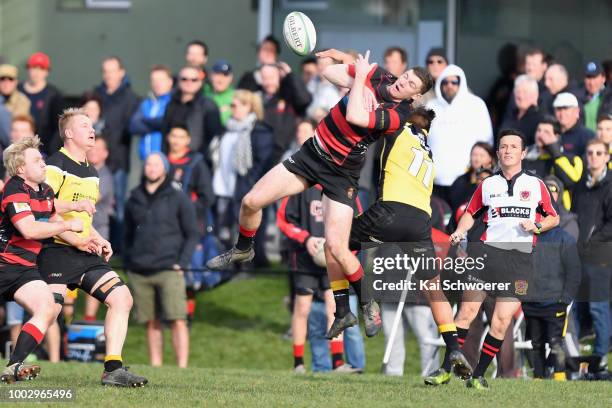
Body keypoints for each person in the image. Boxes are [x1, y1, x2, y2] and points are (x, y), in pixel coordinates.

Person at [208, 49, 433, 340]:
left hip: (342, 175)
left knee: (337, 247)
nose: (404, 82)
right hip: (311, 155)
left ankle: (367, 302)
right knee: (250, 201)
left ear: (414, 96)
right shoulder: (380, 75)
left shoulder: (397, 115)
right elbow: (329, 74)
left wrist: (360, 77)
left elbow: (355, 115)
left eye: (412, 85)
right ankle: (243, 247)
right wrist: (345, 63)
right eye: (406, 77)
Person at [39, 108, 147, 387]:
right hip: (57, 250)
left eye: (92, 126)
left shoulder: (93, 171)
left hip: (84, 250)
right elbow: (45, 210)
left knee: (122, 298)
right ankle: (14, 364)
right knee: (49, 310)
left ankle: (113, 369)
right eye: (84, 125)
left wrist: (98, 238)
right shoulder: (54, 166)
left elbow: (84, 219)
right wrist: (77, 239)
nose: (92, 130)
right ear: (69, 133)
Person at [447, 129, 559, 390]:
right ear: (497, 153)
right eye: (503, 147)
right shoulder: (487, 185)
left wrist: (537, 226)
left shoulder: (536, 185)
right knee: (466, 311)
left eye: (513, 147)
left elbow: (553, 217)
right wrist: (460, 230)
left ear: (522, 153)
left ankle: (479, 375)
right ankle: (445, 369)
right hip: (488, 256)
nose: (507, 151)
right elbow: (470, 212)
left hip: (519, 262)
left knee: (501, 320)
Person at [0, 136, 91, 383]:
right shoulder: (14, 189)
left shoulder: (45, 190)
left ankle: (13, 367)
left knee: (47, 308)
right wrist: (67, 224)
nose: (43, 164)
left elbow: (51, 207)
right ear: (21, 169)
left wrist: (79, 210)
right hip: (3, 264)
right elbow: (29, 229)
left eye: (42, 159)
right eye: (37, 160)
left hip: (24, 268)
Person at [124, 152, 199, 368]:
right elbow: (127, 234)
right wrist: (129, 260)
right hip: (139, 269)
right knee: (151, 322)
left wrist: (182, 263)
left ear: (165, 169)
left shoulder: (177, 197)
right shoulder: (134, 197)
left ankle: (182, 366)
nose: (152, 168)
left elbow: (192, 233)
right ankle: (156, 365)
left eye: (157, 164)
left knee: (177, 319)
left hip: (169, 268)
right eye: (148, 164)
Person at [277, 183, 361, 374]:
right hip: (304, 258)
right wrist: (306, 239)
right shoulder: (299, 185)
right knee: (303, 307)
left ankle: (338, 362)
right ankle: (298, 363)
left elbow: (358, 225)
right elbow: (283, 220)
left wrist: (346, 252)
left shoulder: (344, 186)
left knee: (334, 307)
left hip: (332, 260)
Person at [572, 138, 612, 374]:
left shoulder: (610, 184)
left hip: (601, 254)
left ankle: (600, 357)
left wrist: (591, 242)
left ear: (607, 157)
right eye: (590, 153)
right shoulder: (580, 185)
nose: (594, 157)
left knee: (598, 307)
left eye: (599, 153)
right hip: (579, 255)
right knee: (578, 307)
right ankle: (578, 358)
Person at [426, 64, 493, 203]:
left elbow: (487, 142)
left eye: (454, 82)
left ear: (461, 83)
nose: (449, 85)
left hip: (466, 180)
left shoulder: (476, 105)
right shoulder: (431, 106)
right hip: (434, 181)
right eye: (445, 82)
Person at [93, 56, 140, 230]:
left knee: (118, 204)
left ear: (121, 73)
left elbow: (131, 127)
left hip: (118, 161)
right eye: (105, 71)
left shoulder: (130, 98)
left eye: (112, 71)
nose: (108, 75)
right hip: (95, 159)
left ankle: (119, 246)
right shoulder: (97, 94)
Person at [83, 136, 114, 321]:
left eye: (98, 149)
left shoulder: (105, 176)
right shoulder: (84, 171)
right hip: (79, 231)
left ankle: (89, 318)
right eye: (92, 148)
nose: (93, 152)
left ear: (106, 153)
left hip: (98, 232)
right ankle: (68, 321)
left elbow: (92, 198)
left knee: (93, 275)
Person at [162, 65, 223, 160]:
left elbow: (214, 138)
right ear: (178, 81)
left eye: (194, 80)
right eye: (184, 79)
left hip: (199, 161)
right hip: (172, 161)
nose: (189, 83)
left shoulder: (208, 105)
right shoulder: (171, 104)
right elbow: (165, 133)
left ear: (200, 82)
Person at [523, 116, 583, 209]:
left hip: (559, 214)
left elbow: (571, 181)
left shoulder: (571, 159)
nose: (540, 135)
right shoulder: (526, 157)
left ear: (557, 137)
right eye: (539, 130)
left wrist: (554, 150)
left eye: (546, 132)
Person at [258, 63, 312, 165]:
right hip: (266, 159)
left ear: (280, 76)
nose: (268, 82)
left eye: (271, 78)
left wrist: (290, 74)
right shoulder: (261, 98)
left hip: (288, 157)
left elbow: (304, 100)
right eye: (264, 78)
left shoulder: (289, 97)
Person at [19, 52, 64, 156]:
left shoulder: (53, 95)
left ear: (47, 72)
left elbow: (57, 128)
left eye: (41, 68)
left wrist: (51, 150)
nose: (37, 72)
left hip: (43, 150)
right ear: (28, 69)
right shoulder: (18, 91)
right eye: (34, 67)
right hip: (18, 146)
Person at [129, 64, 174, 164]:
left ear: (170, 82)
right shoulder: (146, 103)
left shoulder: (173, 103)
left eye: (161, 80)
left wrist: (145, 121)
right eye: (154, 80)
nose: (157, 84)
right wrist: (157, 124)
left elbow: (166, 122)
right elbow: (134, 126)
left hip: (165, 160)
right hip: (146, 161)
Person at [448, 142, 495, 214]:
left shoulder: (496, 181)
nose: (477, 159)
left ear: (490, 158)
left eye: (482, 156)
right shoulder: (460, 181)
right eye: (474, 155)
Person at [500, 74, 541, 146]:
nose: (521, 96)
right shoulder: (510, 115)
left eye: (525, 92)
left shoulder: (540, 119)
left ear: (535, 95)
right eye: (518, 92)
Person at [554, 92, 595, 157]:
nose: (562, 114)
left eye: (566, 109)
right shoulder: (550, 133)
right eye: (559, 109)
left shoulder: (588, 136)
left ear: (577, 111)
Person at [579, 61, 612, 132]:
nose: (591, 82)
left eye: (595, 77)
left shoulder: (609, 97)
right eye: (588, 78)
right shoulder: (578, 97)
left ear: (603, 78)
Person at [204, 60, 235, 126]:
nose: (221, 79)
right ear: (211, 76)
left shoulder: (237, 96)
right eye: (217, 74)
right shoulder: (203, 93)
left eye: (225, 75)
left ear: (231, 78)